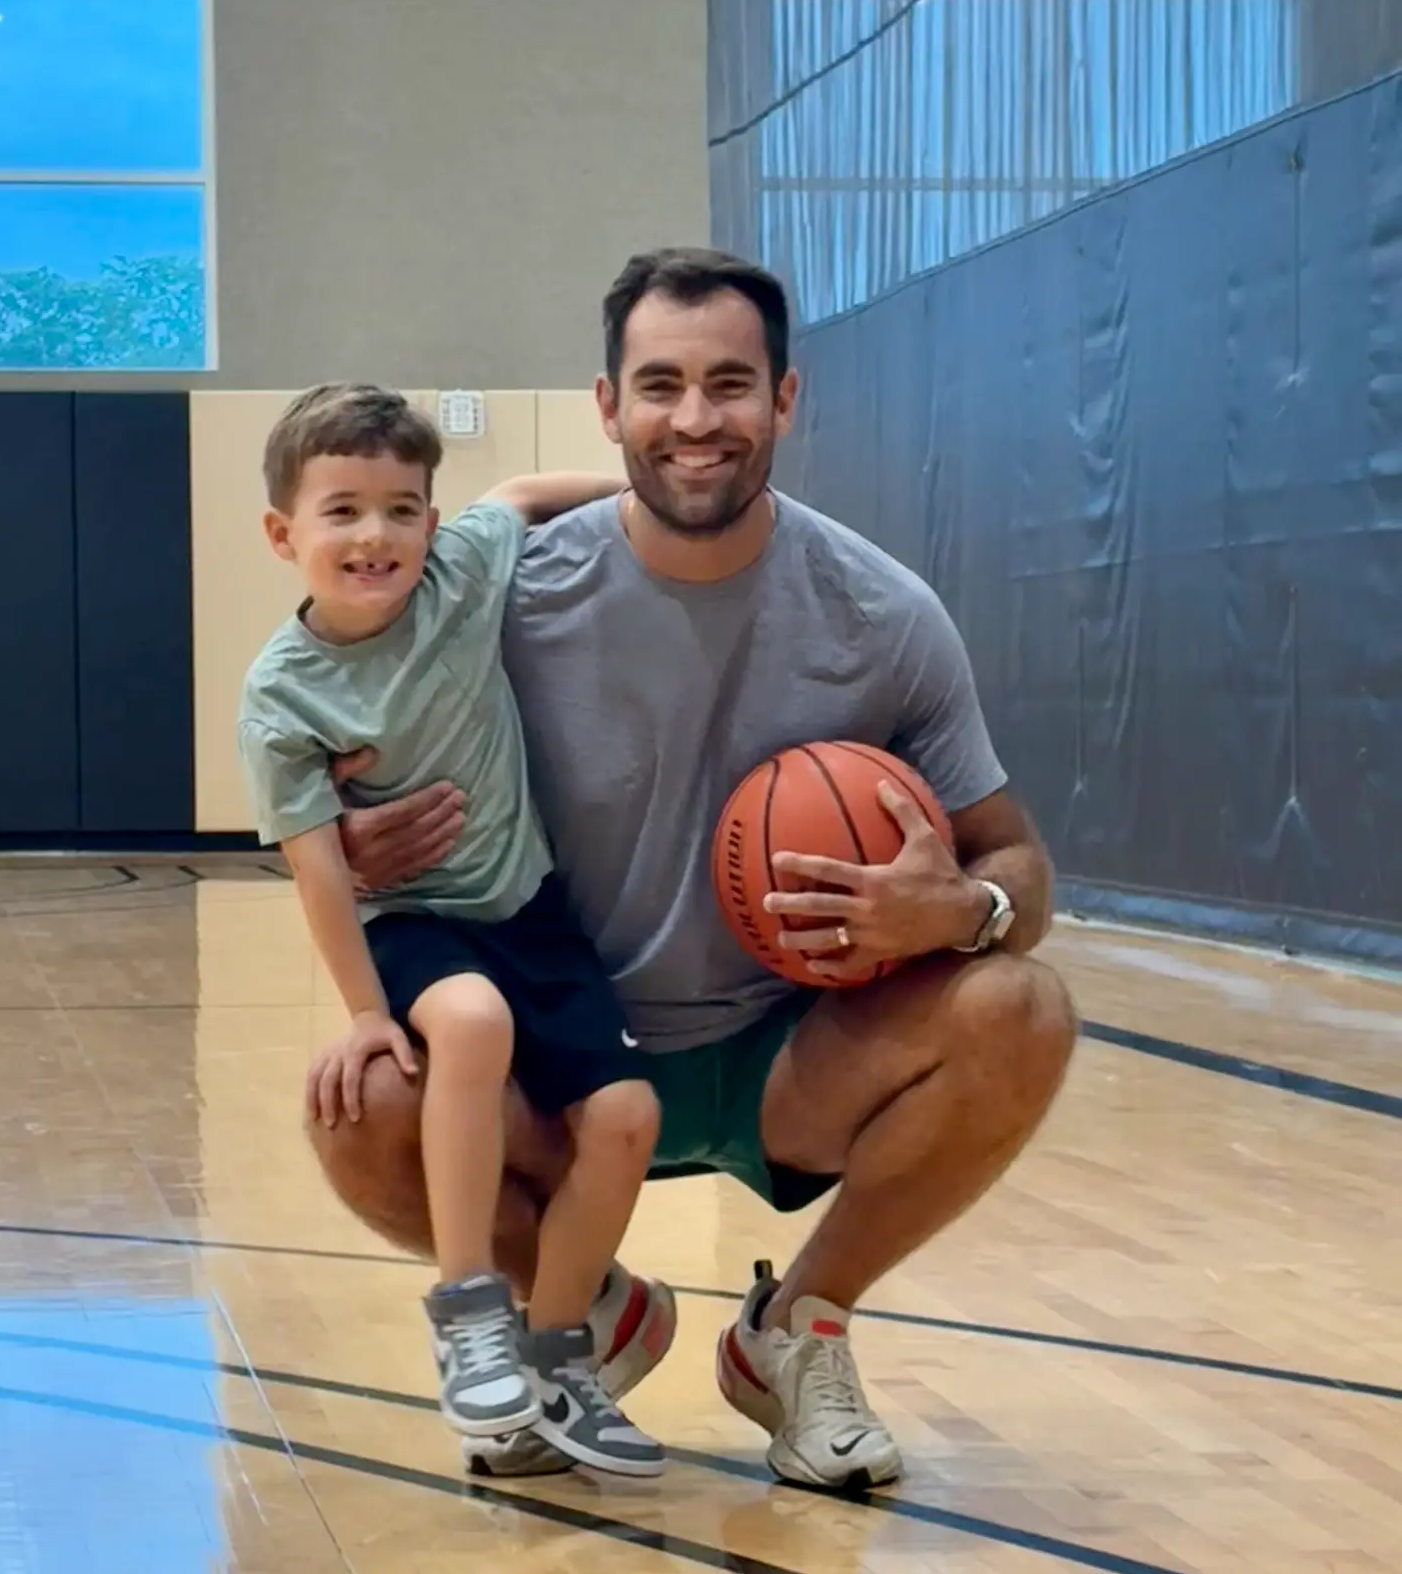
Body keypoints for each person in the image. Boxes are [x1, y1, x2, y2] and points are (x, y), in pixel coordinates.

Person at [311, 252, 1079, 1492]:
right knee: (363, 1102)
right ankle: (592, 1312)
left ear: (785, 399)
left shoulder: (882, 614)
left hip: (791, 1051)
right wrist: (347, 844)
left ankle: (798, 1329)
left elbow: (1020, 865)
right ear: (607, 408)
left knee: (1020, 1005)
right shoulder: (498, 601)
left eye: (731, 383)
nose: (696, 419)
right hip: (564, 1060)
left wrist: (963, 908)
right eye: (658, 384)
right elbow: (323, 752)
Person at [239, 384, 665, 1478]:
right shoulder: (282, 694)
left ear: (432, 520)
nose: (374, 534)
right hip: (412, 922)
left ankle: (561, 1350)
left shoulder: (462, 575)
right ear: (285, 533)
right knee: (467, 1026)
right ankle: (467, 1304)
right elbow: (319, 870)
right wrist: (368, 1014)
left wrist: (646, 487)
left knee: (624, 1114)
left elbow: (520, 493)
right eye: (342, 510)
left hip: (529, 909)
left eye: (401, 507)